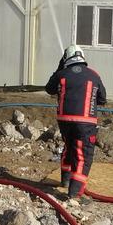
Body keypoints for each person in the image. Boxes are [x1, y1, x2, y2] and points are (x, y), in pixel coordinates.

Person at [45, 45, 107, 200]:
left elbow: (49, 89)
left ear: (66, 58)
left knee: (69, 146)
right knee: (83, 155)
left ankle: (65, 180)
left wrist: (59, 68)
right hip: (85, 122)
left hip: (64, 121)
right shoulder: (93, 75)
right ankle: (75, 194)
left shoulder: (62, 74)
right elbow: (102, 99)